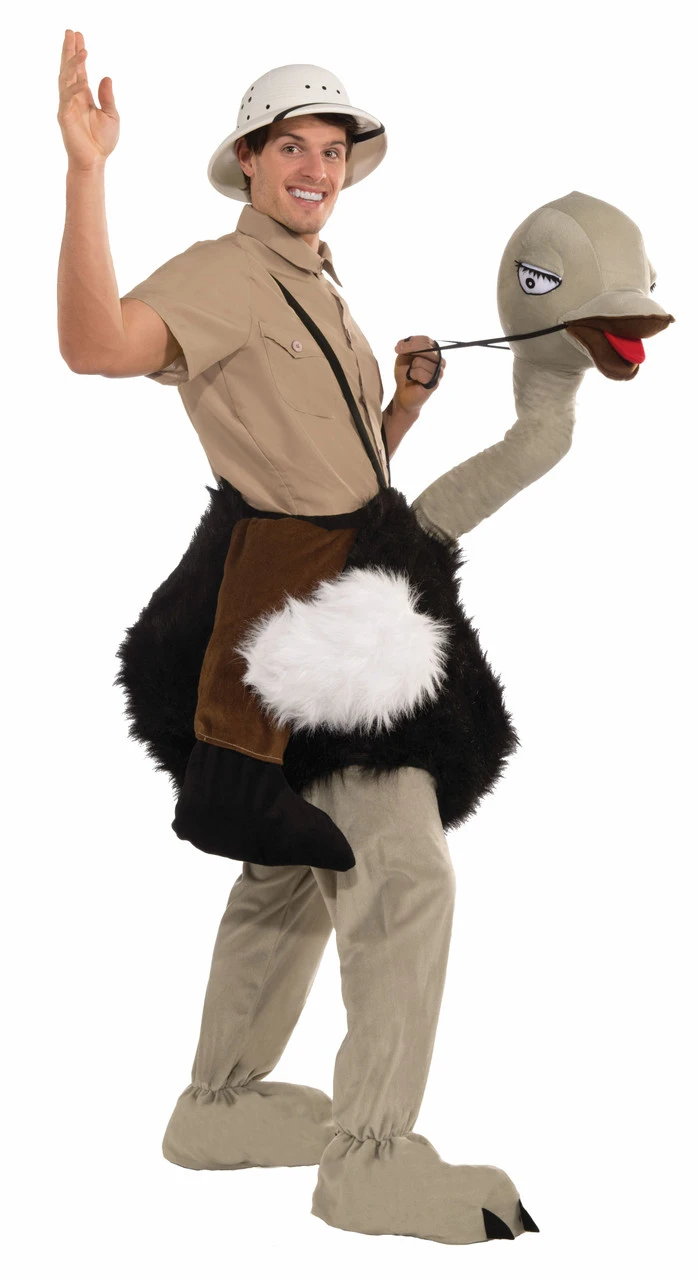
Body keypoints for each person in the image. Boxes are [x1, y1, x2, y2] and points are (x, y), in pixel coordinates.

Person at [57, 31, 539, 1246]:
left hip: (332, 581)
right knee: (402, 872)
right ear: (247, 160)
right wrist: (86, 173)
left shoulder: (318, 276)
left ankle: (216, 1105)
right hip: (303, 622)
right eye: (292, 148)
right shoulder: (222, 274)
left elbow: (331, 462)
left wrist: (400, 410)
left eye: (332, 149)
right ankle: (366, 1163)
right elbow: (96, 344)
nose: (317, 167)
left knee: (290, 866)